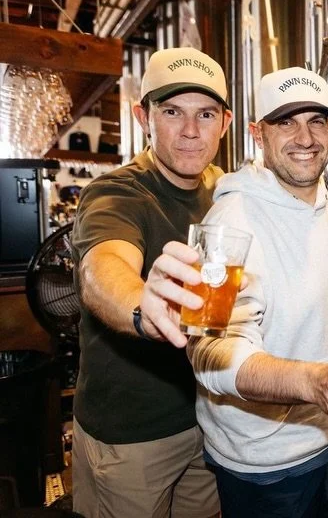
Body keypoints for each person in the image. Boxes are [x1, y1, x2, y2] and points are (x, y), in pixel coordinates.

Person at [185, 66, 328, 517]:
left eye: (317, 121)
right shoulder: (228, 223)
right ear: (258, 134)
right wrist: (312, 382)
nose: (306, 137)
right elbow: (206, 351)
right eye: (286, 122)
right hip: (264, 464)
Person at [71, 47, 231, 517]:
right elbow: (103, 269)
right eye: (171, 112)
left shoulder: (223, 189)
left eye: (204, 114)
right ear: (144, 116)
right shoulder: (117, 192)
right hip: (130, 436)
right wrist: (144, 308)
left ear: (224, 123)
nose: (189, 131)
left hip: (208, 423)